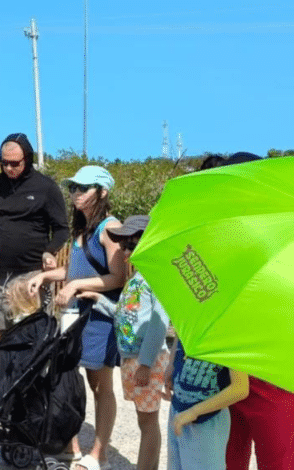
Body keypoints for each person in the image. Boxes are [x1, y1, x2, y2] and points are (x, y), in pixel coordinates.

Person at [27, 165, 126, 470]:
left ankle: (100, 455)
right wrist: (45, 277)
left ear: (103, 192)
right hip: (77, 318)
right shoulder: (83, 228)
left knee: (100, 386)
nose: (76, 194)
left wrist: (74, 285)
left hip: (99, 318)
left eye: (84, 188)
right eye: (73, 188)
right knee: (69, 381)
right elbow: (77, 270)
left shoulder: (110, 227)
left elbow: (118, 277)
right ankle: (72, 449)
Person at [200, 152, 294, 470]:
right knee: (228, 460)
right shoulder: (222, 237)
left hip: (274, 375)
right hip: (228, 371)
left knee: (278, 462)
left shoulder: (283, 232)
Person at [77, 215, 169, 470]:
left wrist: (146, 363)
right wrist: (100, 299)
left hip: (145, 359)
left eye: (131, 245)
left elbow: (159, 320)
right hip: (133, 357)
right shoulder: (138, 278)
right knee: (143, 420)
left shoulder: (156, 277)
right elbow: (125, 313)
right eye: (124, 245)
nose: (125, 252)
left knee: (148, 422)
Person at [0, 132, 69, 344]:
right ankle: (0, 375)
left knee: (32, 334)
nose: (9, 168)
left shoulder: (46, 187)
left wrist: (49, 250)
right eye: (4, 163)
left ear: (28, 159)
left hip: (32, 274)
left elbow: (61, 229)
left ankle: (33, 377)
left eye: (14, 164)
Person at [165, 335, 249, 470]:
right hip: (178, 412)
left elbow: (240, 389)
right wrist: (171, 365)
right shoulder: (191, 317)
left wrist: (194, 412)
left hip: (207, 421)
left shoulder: (231, 331)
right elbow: (179, 331)